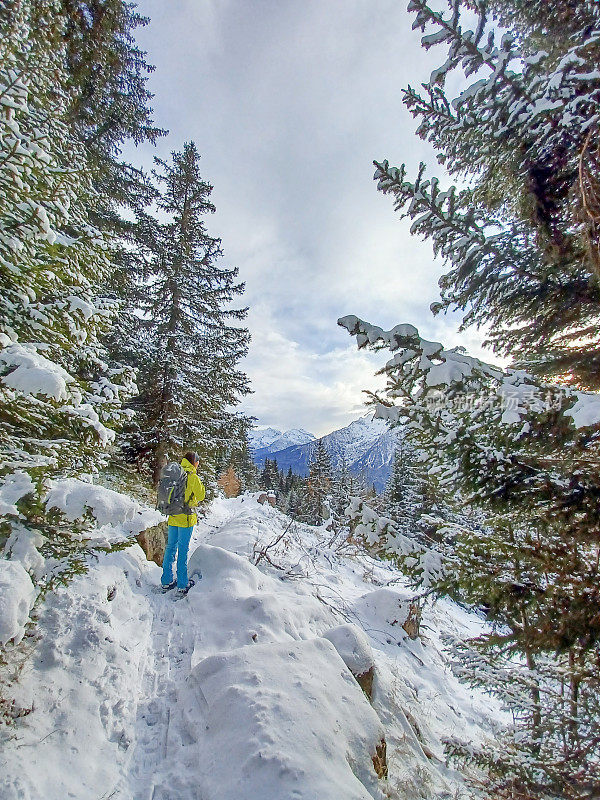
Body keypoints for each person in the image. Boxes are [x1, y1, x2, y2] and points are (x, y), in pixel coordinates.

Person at [161, 452, 206, 595]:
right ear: (194, 463)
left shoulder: (175, 474)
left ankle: (166, 580)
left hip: (173, 515)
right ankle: (182, 583)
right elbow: (201, 496)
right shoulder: (193, 477)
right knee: (183, 550)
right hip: (186, 518)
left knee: (170, 547)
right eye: (197, 462)